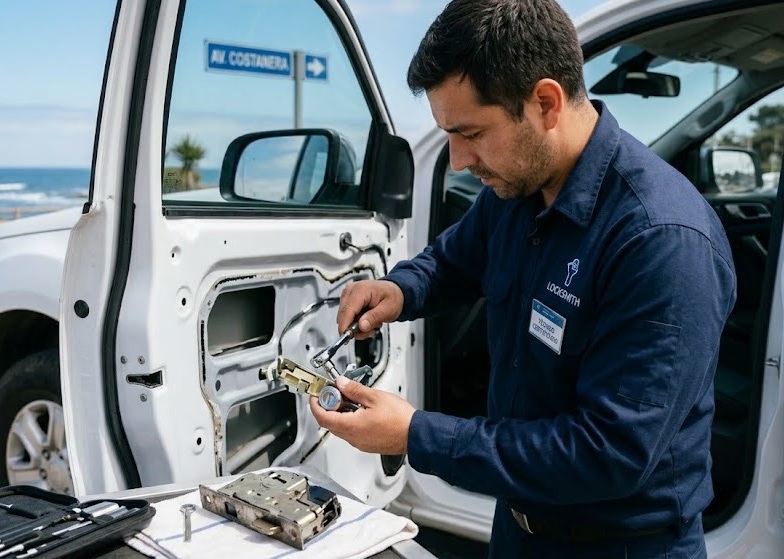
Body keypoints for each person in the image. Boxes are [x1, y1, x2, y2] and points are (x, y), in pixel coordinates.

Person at [309, 0, 736, 556]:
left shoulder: (659, 240)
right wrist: (400, 290)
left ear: (545, 102)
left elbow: (608, 453)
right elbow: (455, 260)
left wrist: (417, 435)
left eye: (472, 133)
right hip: (518, 528)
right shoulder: (517, 187)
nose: (459, 161)